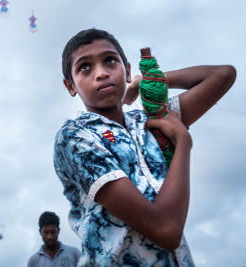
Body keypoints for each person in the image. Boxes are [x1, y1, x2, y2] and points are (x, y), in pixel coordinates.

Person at [54, 28, 236, 266]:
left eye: (110, 61)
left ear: (126, 70)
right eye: (85, 67)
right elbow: (166, 230)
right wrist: (182, 144)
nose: (100, 73)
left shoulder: (151, 120)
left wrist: (150, 81)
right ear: (71, 86)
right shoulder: (76, 136)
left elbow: (223, 75)